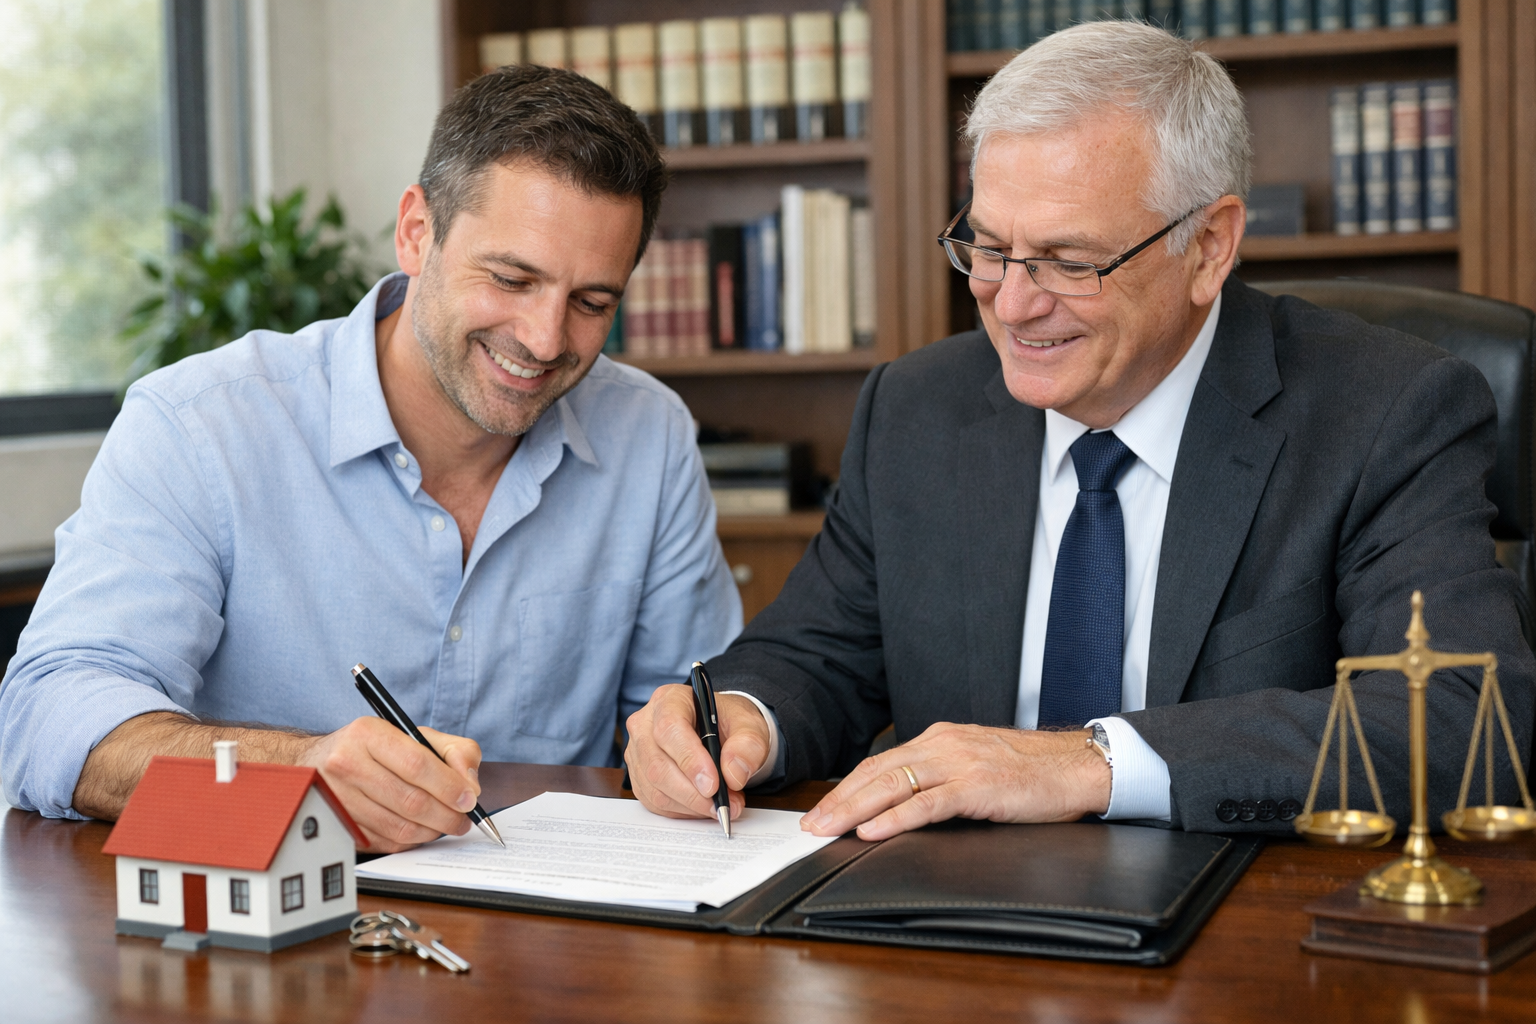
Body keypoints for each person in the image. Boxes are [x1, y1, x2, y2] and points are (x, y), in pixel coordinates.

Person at [624, 21, 1533, 839]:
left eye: (1067, 260)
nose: (1012, 304)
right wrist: (740, 720)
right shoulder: (917, 407)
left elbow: (1458, 714)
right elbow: (816, 655)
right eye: (986, 246)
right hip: (948, 924)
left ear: (1209, 247)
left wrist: (1085, 762)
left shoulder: (1383, 410)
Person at [0, 65, 741, 851]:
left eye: (592, 303)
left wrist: (684, 747)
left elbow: (686, 715)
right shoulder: (201, 426)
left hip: (557, 942)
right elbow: (50, 716)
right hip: (280, 932)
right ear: (417, 232)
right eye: (511, 278)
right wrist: (299, 772)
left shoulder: (649, 435)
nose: (546, 339)